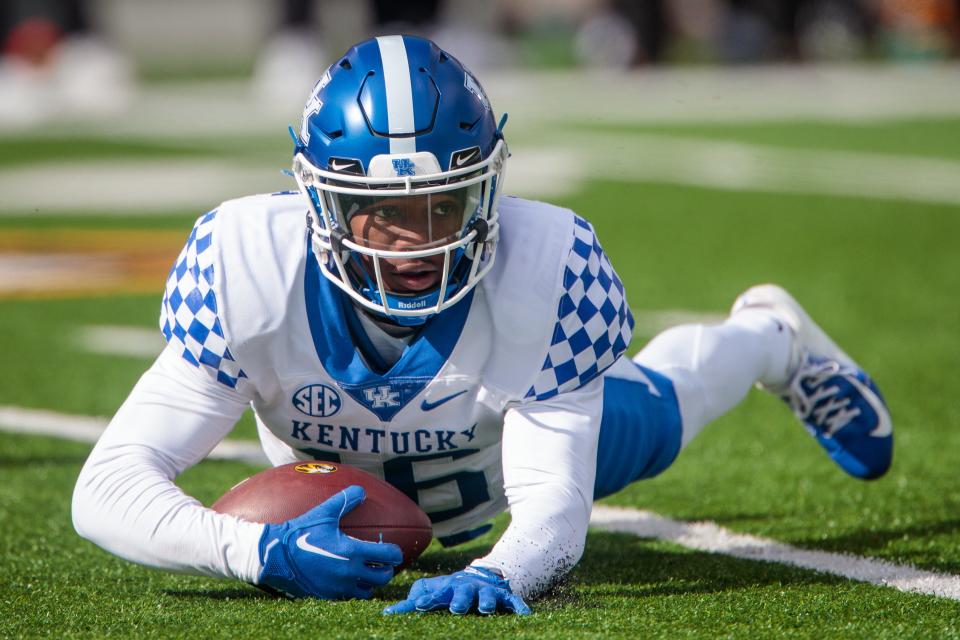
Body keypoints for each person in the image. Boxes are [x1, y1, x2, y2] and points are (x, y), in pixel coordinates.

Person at [71, 34, 893, 616]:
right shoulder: (247, 264)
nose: (416, 239)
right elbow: (106, 489)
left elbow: (553, 509)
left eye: (444, 203)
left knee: (664, 410)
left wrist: (503, 569)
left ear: (489, 186)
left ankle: (772, 336)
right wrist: (255, 553)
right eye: (379, 215)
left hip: (499, 455)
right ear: (319, 201)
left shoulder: (548, 265)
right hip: (340, 486)